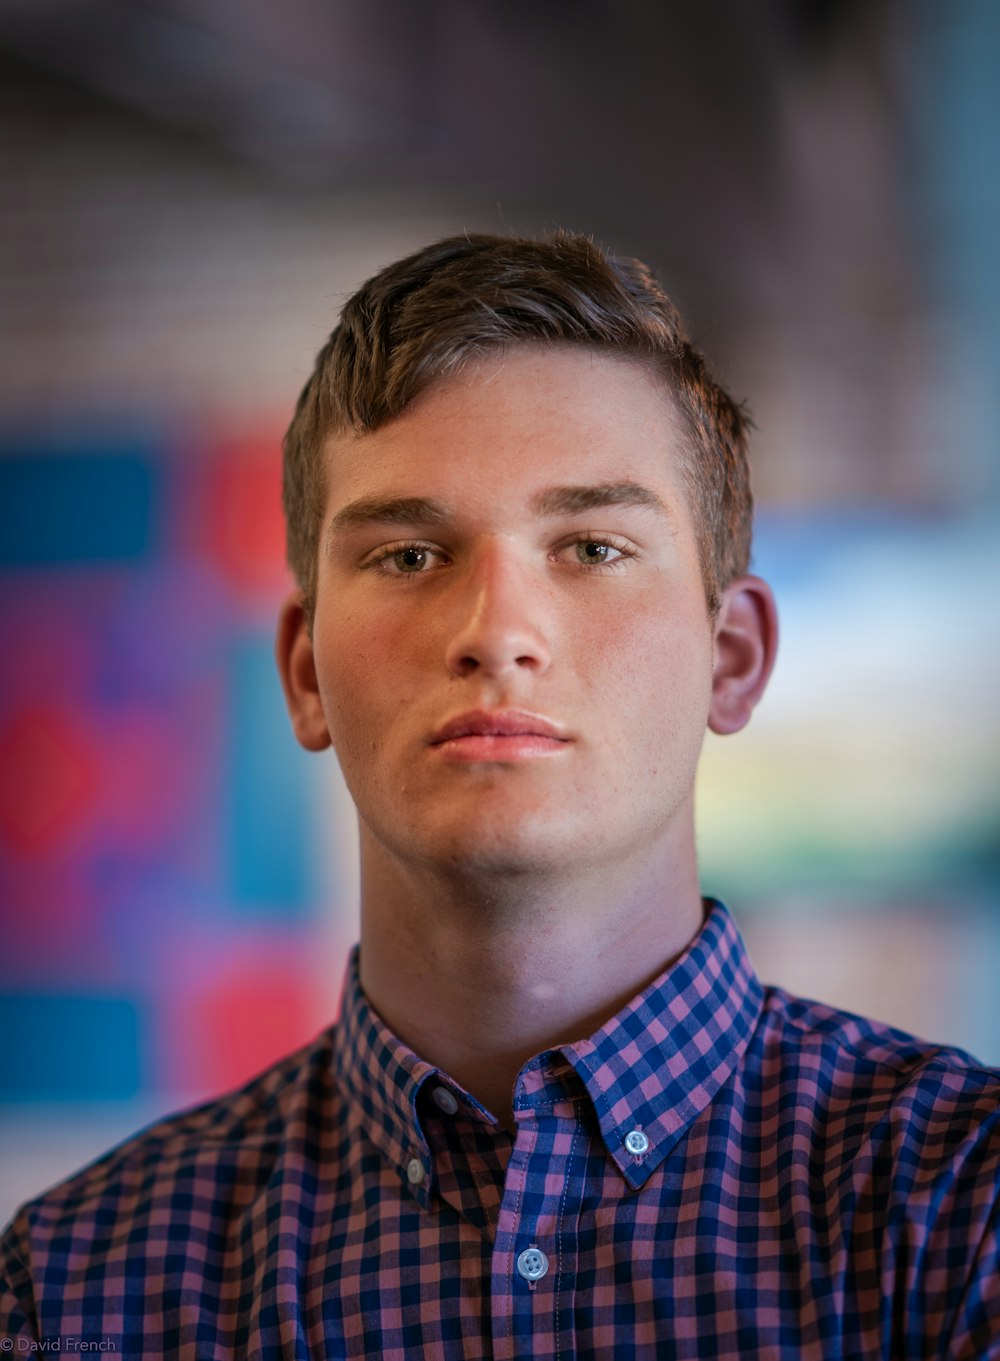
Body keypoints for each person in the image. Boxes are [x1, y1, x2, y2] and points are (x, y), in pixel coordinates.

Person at [1, 231, 997, 1360]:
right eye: (411, 556)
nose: (497, 633)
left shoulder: (965, 1208)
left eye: (591, 545)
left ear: (731, 660)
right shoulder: (81, 1286)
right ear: (305, 670)